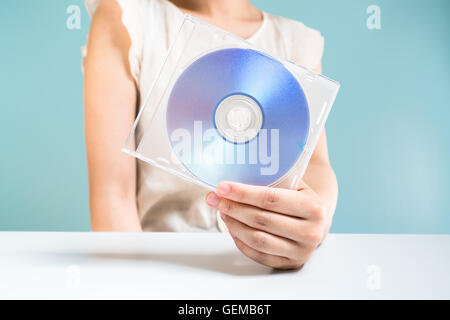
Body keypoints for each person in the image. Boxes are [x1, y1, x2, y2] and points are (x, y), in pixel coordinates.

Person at [83, 0, 338, 269]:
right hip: (162, 271)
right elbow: (113, 196)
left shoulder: (295, 42)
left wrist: (313, 222)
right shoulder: (126, 17)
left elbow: (315, 166)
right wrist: (136, 287)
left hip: (265, 272)